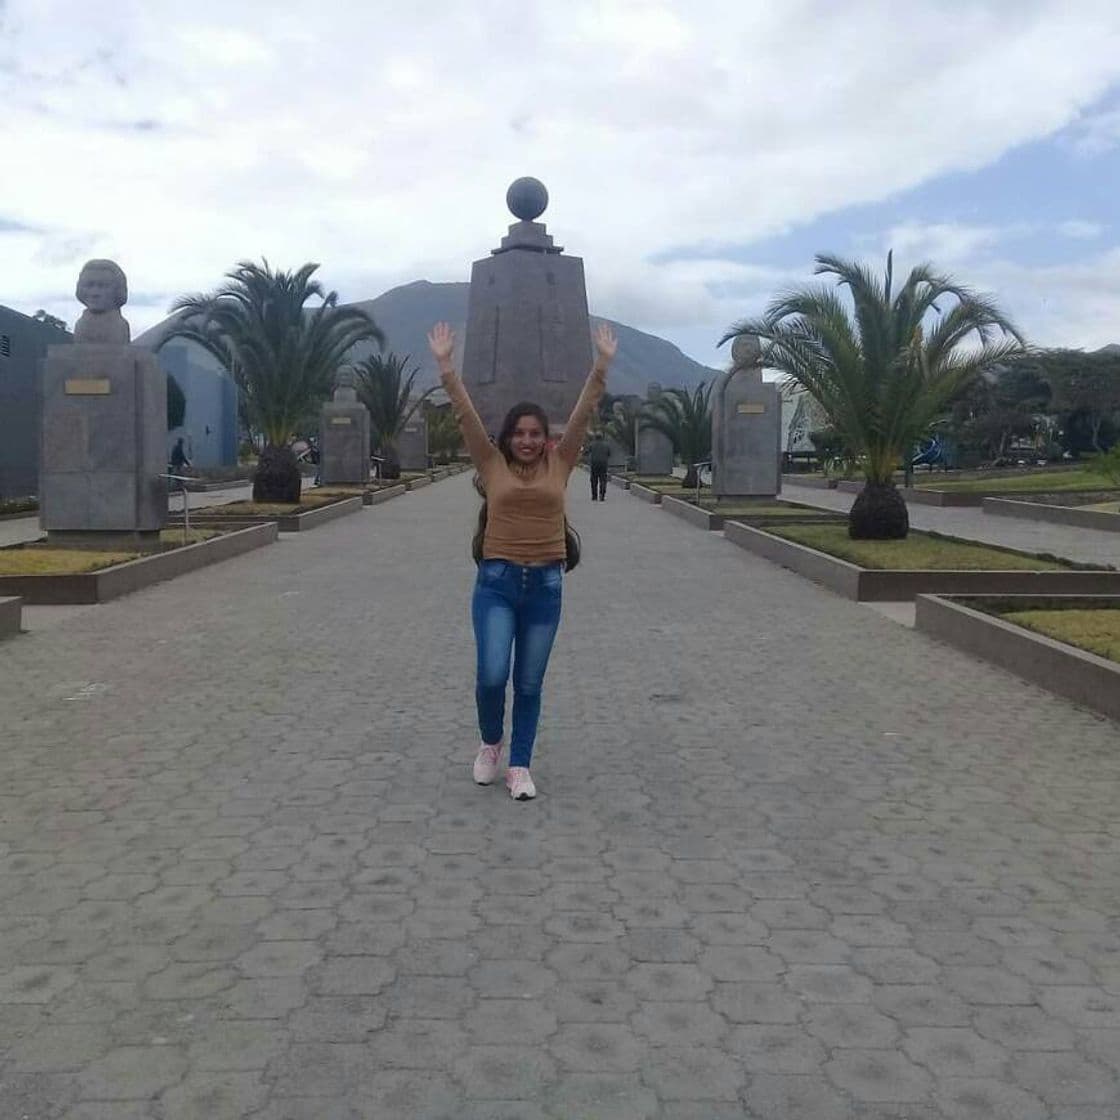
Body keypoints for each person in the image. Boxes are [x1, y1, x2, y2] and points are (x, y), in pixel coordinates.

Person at [428, 320, 618, 800]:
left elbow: (581, 416)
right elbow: (467, 417)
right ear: (508, 437)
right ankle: (491, 743)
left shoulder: (562, 463)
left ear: (546, 440)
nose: (528, 441)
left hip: (546, 588)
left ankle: (519, 765)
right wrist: (447, 368)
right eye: (520, 433)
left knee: (529, 683)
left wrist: (600, 367)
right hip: (497, 582)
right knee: (493, 675)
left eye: (536, 434)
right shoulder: (490, 466)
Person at [586, 431, 611, 501]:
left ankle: (594, 496)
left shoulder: (592, 444)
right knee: (603, 479)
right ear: (602, 437)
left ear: (595, 437)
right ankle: (602, 495)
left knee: (594, 480)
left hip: (594, 464)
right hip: (603, 464)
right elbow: (609, 454)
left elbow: (587, 452)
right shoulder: (606, 445)